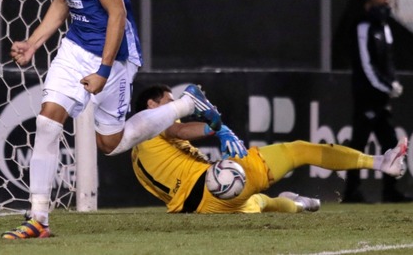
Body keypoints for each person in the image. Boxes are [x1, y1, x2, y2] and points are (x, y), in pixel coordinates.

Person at [1, 0, 245, 240]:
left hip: (114, 54)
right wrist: (35, 42)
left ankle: (184, 105)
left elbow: (116, 15)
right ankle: (39, 218)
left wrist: (103, 70)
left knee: (109, 144)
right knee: (48, 122)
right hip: (76, 45)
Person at [131, 84, 409, 214]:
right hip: (209, 187)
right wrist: (214, 128)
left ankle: (300, 204)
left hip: (201, 209)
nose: (176, 110)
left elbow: (176, 138)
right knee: (298, 150)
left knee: (263, 203)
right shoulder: (152, 125)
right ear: (152, 107)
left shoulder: (136, 151)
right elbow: (177, 129)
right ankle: (380, 163)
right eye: (169, 102)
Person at [343, 0, 410, 203]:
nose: (384, 9)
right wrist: (385, 86)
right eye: (380, 4)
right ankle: (351, 191)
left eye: (387, 4)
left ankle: (390, 190)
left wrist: (392, 82)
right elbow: (365, 64)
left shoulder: (386, 28)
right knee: (359, 144)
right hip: (366, 96)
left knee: (390, 142)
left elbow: (388, 60)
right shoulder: (363, 27)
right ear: (369, 6)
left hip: (382, 98)